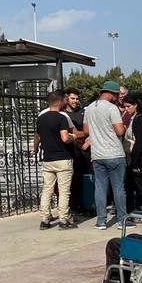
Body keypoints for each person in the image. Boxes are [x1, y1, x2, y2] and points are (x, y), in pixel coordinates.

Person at [80, 81, 132, 230]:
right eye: (117, 95)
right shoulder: (112, 108)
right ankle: (122, 220)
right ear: (111, 93)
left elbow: (85, 130)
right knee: (118, 188)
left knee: (100, 188)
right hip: (114, 153)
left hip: (97, 154)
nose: (118, 97)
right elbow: (120, 131)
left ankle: (101, 221)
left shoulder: (89, 108)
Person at [34, 90, 79, 230]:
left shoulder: (41, 118)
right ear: (60, 102)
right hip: (62, 158)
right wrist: (73, 137)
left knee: (47, 189)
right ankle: (63, 219)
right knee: (64, 190)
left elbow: (37, 137)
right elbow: (65, 137)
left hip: (48, 159)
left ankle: (44, 219)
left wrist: (34, 150)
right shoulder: (61, 118)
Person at [63, 88, 89, 216]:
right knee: (69, 181)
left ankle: (83, 205)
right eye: (73, 98)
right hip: (67, 151)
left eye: (77, 99)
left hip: (82, 152)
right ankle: (71, 207)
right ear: (67, 98)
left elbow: (89, 130)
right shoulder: (62, 114)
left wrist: (88, 140)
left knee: (81, 180)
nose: (75, 101)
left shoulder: (83, 112)